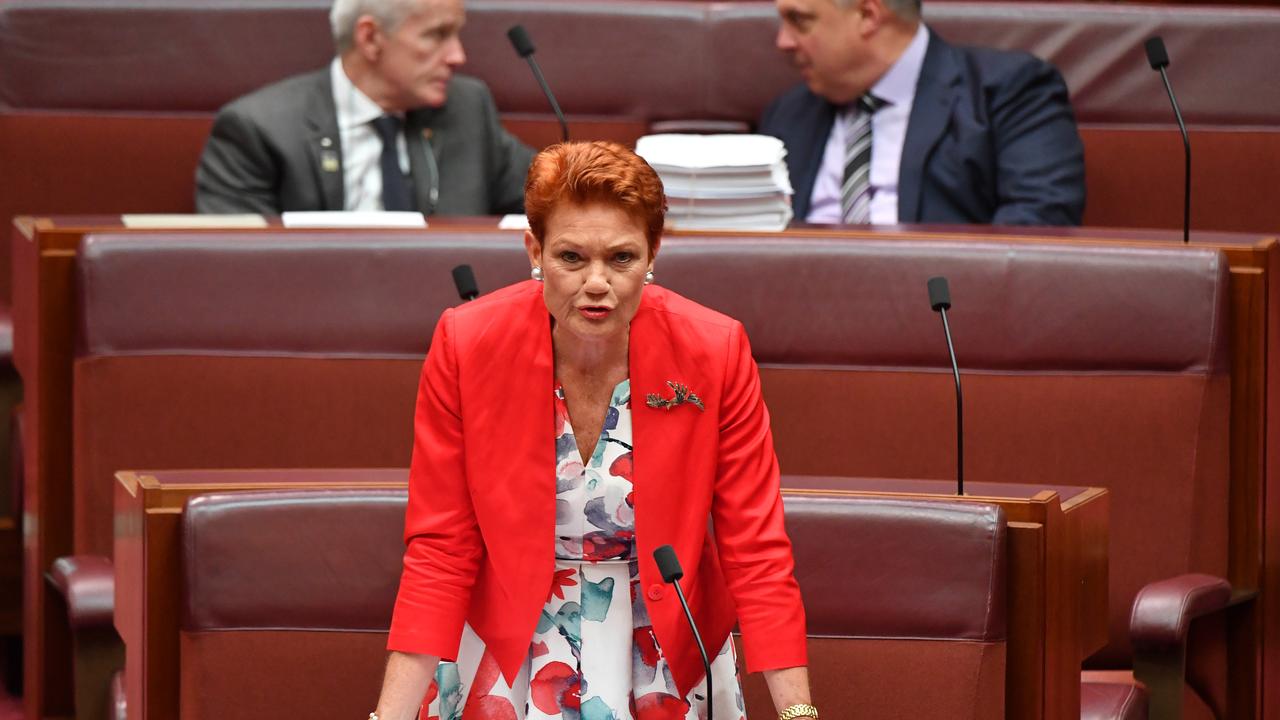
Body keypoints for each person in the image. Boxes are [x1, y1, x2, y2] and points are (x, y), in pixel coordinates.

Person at [371, 141, 817, 720]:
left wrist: (797, 713)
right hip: (506, 643)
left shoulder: (714, 349)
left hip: (661, 644)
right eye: (572, 257)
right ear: (534, 250)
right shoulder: (467, 344)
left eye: (622, 258)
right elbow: (441, 550)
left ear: (653, 252)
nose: (597, 283)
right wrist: (389, 716)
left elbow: (755, 551)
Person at [761, 0, 1086, 226]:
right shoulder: (788, 114)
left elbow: (1036, 228)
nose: (783, 41)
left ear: (868, 15)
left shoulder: (1008, 92)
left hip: (946, 313)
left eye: (799, 21)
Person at [195, 0, 533, 216]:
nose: (457, 56)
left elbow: (559, 197)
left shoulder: (467, 109)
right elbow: (239, 266)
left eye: (457, 35)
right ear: (370, 38)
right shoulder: (259, 129)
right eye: (437, 35)